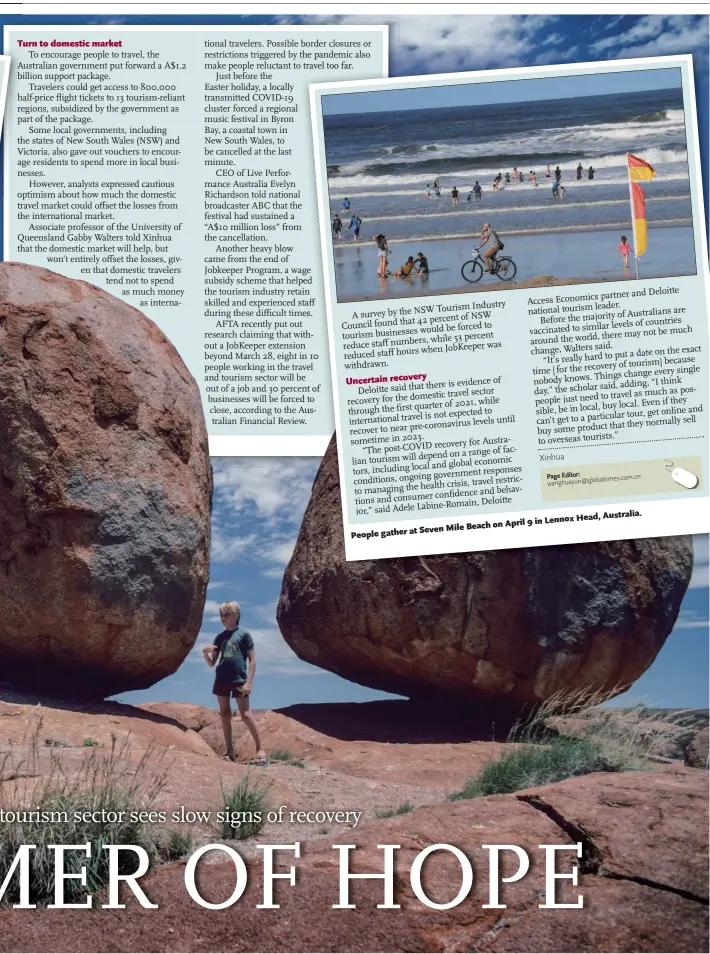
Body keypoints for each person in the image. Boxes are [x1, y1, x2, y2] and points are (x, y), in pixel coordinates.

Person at [203, 601, 267, 765]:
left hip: (239, 678)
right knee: (225, 714)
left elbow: (252, 660)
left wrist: (249, 682)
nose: (223, 618)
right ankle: (230, 752)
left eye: (227, 614)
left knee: (245, 714)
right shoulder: (220, 637)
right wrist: (205, 653)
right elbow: (212, 663)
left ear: (236, 615)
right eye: (221, 615)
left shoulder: (244, 635)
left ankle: (261, 749)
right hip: (222, 678)